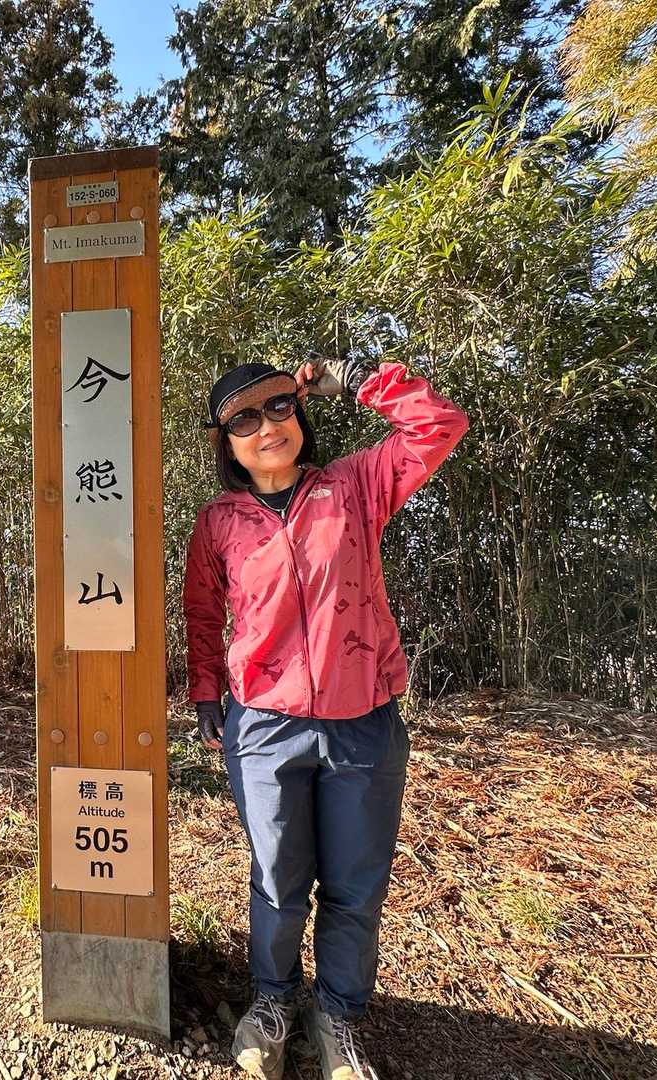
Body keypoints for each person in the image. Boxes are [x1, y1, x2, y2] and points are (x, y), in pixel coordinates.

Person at [182, 356, 468, 1080]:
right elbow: (202, 613)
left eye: (279, 407)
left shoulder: (353, 486)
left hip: (363, 718)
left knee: (355, 883)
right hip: (264, 725)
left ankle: (337, 1015)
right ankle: (273, 1002)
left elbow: (439, 425)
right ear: (226, 443)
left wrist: (354, 376)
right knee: (278, 877)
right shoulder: (218, 522)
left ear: (301, 413)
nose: (266, 427)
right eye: (244, 419)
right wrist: (206, 692)